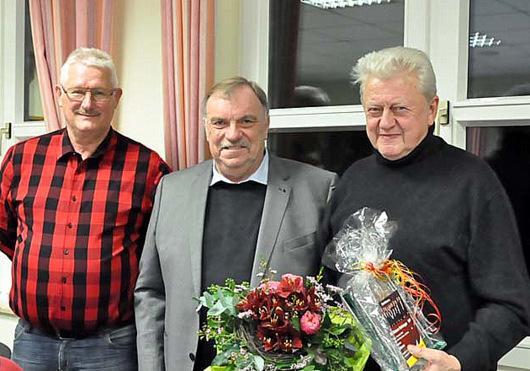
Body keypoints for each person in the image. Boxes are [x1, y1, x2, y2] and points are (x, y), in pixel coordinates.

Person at [321, 47, 530, 371]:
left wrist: (461, 361)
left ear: (432, 109)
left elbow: (512, 304)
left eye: (400, 108)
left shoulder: (473, 182)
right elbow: (330, 281)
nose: (385, 122)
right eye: (374, 109)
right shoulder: (352, 178)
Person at [134, 76, 338, 371]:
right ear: (206, 128)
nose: (232, 134)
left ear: (266, 126)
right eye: (219, 123)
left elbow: (333, 297)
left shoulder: (318, 189)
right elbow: (151, 293)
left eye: (246, 121)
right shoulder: (171, 190)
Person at [0, 47, 170, 370]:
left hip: (110, 347)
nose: (87, 103)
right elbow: (9, 234)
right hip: (33, 342)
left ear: (116, 97)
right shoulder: (21, 159)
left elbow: (157, 256)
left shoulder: (148, 169)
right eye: (77, 91)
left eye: (99, 93)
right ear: (59, 95)